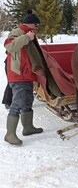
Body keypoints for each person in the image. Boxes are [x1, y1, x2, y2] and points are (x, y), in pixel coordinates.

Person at [3, 10, 43, 146]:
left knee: (27, 101)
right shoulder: (17, 32)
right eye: (36, 26)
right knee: (18, 103)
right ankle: (9, 134)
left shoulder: (29, 34)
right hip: (18, 74)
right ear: (31, 24)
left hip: (26, 74)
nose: (37, 28)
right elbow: (9, 46)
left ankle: (28, 128)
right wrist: (27, 37)